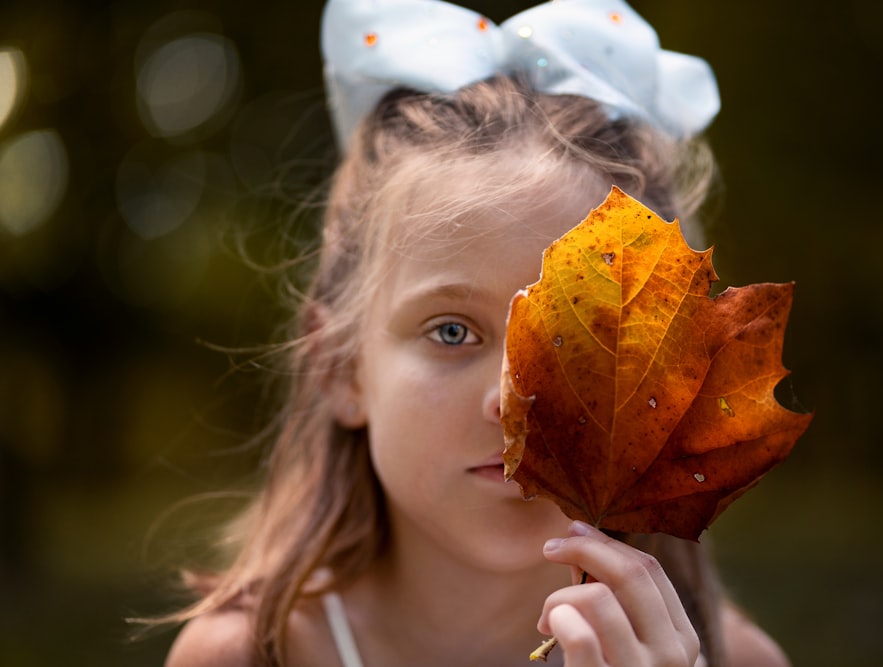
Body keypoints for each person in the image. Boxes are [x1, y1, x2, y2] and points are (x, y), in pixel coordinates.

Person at [162, 1, 792, 665]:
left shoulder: (735, 659)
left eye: (577, 342)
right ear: (341, 366)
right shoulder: (250, 654)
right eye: (454, 331)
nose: (513, 398)